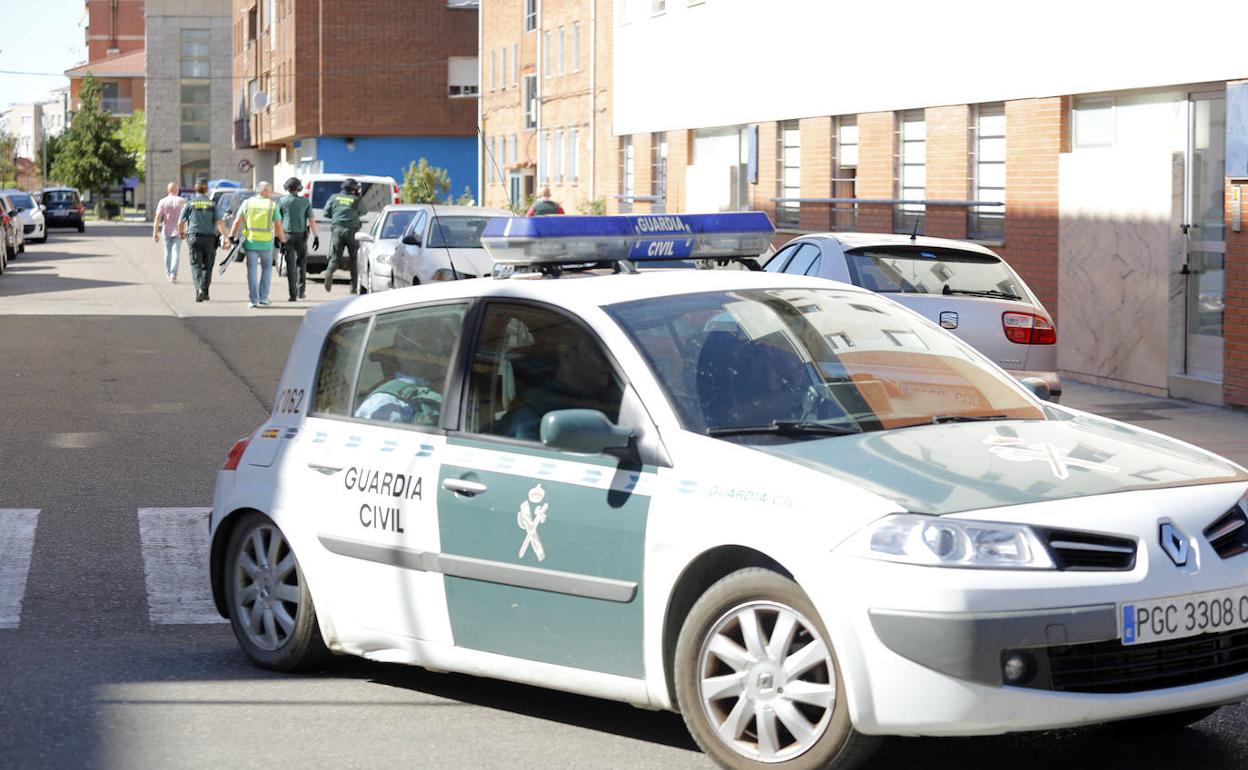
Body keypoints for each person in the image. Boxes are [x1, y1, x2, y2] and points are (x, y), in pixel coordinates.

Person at [229, 181, 286, 308]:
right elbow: (278, 225)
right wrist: (282, 241)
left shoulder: (247, 203)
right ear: (265, 191)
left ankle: (253, 300)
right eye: (270, 191)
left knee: (252, 271)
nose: (271, 193)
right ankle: (264, 297)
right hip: (266, 244)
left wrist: (231, 236)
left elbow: (237, 221)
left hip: (250, 243)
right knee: (266, 270)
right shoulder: (272, 205)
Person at [178, 178, 227, 302]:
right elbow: (220, 222)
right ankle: (204, 291)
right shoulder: (212, 204)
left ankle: (200, 289)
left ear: (195, 188)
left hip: (194, 237)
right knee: (208, 266)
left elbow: (181, 222)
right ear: (206, 189)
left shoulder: (190, 203)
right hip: (210, 239)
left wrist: (181, 233)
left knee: (196, 265)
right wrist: (226, 237)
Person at [276, 177, 318, 301]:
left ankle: (292, 295)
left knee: (290, 265)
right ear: (299, 189)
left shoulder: (282, 201)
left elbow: (277, 221)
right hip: (301, 237)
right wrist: (316, 236)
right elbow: (311, 220)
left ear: (287, 188)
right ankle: (301, 291)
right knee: (301, 263)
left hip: (286, 236)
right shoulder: (305, 202)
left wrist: (276, 237)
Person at [323, 178, 366, 293]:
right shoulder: (355, 199)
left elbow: (326, 213)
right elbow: (364, 211)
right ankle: (353, 286)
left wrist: (338, 217)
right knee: (353, 258)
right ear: (354, 188)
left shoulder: (334, 197)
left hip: (337, 230)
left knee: (335, 256)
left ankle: (329, 272)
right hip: (352, 231)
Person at [152, 182, 185, 283]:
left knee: (167, 252)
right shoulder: (181, 201)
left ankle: (168, 273)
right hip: (179, 231)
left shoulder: (163, 201)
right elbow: (186, 217)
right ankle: (173, 275)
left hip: (166, 231)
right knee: (176, 253)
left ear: (168, 190)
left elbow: (158, 217)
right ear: (177, 190)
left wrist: (155, 232)